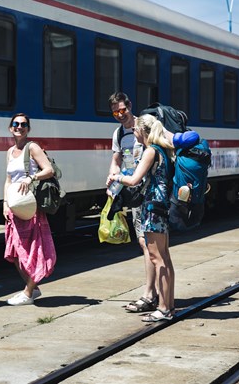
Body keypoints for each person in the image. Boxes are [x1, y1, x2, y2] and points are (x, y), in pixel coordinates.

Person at [108, 114, 175, 322]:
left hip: (152, 207)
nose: (133, 132)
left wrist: (115, 177)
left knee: (157, 258)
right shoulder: (162, 150)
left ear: (143, 131)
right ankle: (168, 306)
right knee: (164, 257)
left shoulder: (151, 151)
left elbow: (134, 179)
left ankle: (163, 308)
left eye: (136, 130)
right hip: (161, 205)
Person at [106, 92, 156, 314]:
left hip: (150, 193)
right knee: (145, 243)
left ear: (130, 106)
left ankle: (150, 294)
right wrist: (112, 178)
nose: (119, 115)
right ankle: (154, 293)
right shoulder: (118, 134)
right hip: (135, 194)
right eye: (115, 112)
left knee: (149, 244)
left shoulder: (144, 127)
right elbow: (116, 162)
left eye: (122, 110)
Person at [3, 113, 57, 305]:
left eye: (24, 124)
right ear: (11, 128)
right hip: (15, 207)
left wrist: (31, 178)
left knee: (34, 250)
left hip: (31, 207)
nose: (19, 127)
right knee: (16, 252)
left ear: (28, 128)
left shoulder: (32, 147)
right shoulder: (10, 151)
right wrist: (5, 203)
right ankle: (32, 288)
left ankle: (27, 293)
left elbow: (48, 170)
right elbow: (8, 180)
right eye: (16, 124)